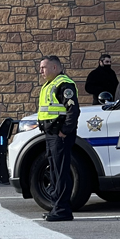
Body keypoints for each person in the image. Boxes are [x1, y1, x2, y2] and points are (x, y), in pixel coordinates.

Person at [37, 55, 80, 222]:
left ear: (54, 68)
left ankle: (63, 210)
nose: (41, 71)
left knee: (61, 172)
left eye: (44, 67)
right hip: (51, 134)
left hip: (59, 135)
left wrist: (64, 131)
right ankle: (57, 207)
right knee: (54, 171)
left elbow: (73, 111)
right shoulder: (50, 84)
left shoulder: (64, 84)